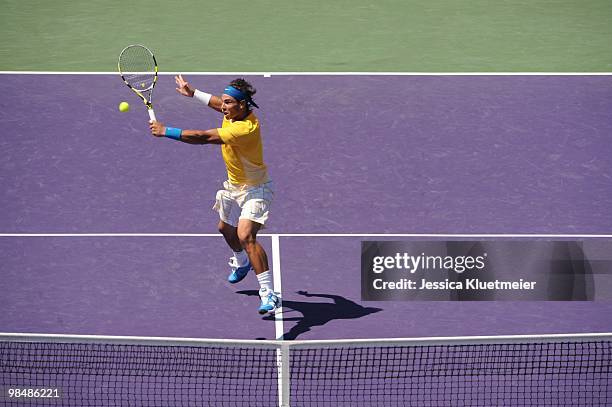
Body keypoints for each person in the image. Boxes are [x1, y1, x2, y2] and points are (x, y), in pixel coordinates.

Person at [149, 75, 279, 314]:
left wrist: (166, 130)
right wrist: (193, 92)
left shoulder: (243, 128)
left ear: (242, 105)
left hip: (256, 189)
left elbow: (203, 137)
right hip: (233, 185)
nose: (223, 106)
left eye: (228, 103)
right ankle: (242, 263)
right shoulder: (235, 111)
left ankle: (269, 293)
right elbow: (216, 102)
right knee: (224, 229)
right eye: (225, 102)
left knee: (245, 235)